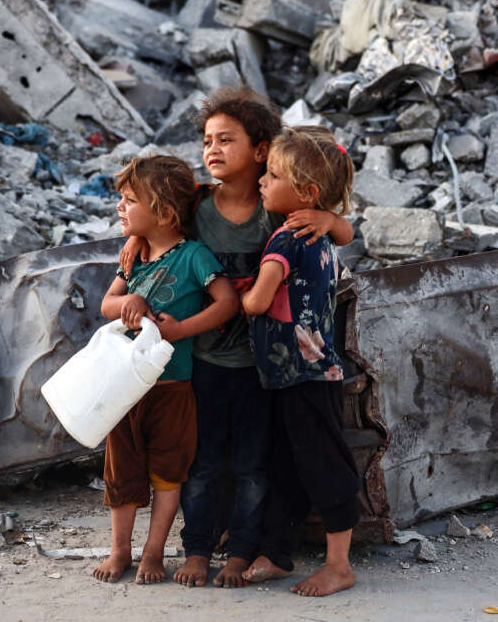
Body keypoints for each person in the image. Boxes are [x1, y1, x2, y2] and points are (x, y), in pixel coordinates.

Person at [119, 87, 354, 589]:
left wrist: (331, 219)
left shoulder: (281, 208)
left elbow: (341, 233)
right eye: (207, 140)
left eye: (227, 139)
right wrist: (138, 238)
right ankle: (201, 546)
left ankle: (246, 548)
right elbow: (158, 225)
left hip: (261, 367)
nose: (212, 149)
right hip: (203, 359)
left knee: (255, 462)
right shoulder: (197, 205)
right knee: (202, 461)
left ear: (262, 150)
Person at [95, 155, 240, 585]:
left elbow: (228, 302)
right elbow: (107, 306)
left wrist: (180, 332)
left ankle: (153, 552)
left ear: (164, 212)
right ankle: (120, 549)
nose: (120, 207)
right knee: (121, 472)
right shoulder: (133, 257)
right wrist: (129, 304)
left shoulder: (193, 256)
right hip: (125, 388)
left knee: (167, 473)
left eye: (129, 200)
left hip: (173, 387)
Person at [239, 125, 361, 598]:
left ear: (306, 194)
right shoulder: (320, 234)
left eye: (271, 175)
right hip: (299, 374)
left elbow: (258, 303)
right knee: (290, 464)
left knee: (323, 466)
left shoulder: (286, 242)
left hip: (302, 374)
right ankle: (278, 552)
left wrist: (240, 292)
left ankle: (339, 565)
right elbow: (345, 229)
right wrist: (329, 218)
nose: (262, 182)